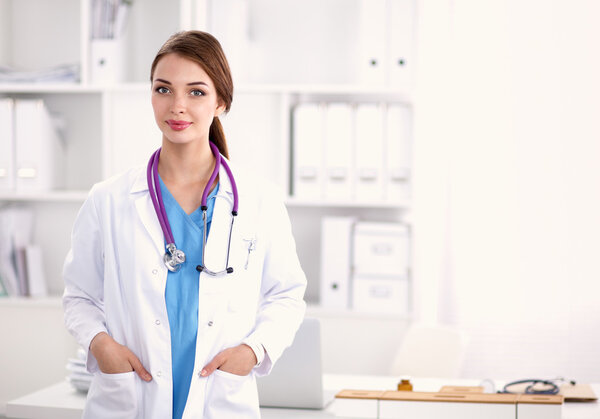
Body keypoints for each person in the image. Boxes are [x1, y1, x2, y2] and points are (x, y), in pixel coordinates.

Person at [63, 30, 307, 419]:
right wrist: (100, 345)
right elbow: (79, 297)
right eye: (163, 89)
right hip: (131, 395)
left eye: (196, 92)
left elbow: (287, 295)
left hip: (219, 397)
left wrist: (253, 350)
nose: (177, 106)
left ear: (221, 101)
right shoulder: (108, 199)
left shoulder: (259, 200)